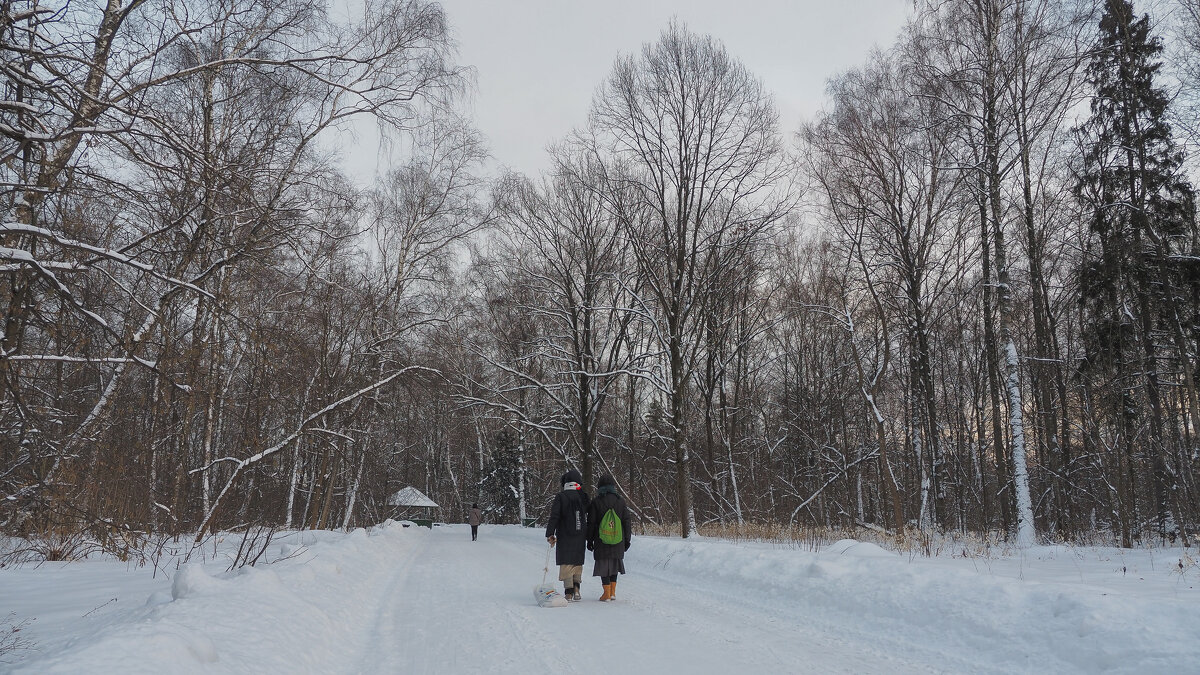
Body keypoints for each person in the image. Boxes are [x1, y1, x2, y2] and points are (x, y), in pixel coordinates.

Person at [545, 469, 589, 602]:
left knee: (566, 562)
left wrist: (550, 533)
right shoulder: (583, 497)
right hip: (580, 533)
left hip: (565, 533)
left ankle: (568, 592)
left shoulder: (561, 496)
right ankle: (577, 588)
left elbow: (555, 516)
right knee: (577, 561)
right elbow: (588, 510)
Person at [586, 473, 631, 602]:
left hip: (601, 540)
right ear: (613, 486)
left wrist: (589, 540)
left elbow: (592, 523)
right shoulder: (620, 501)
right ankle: (612, 592)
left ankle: (606, 593)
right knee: (614, 563)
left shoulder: (596, 501)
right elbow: (627, 521)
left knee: (603, 564)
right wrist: (627, 539)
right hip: (618, 539)